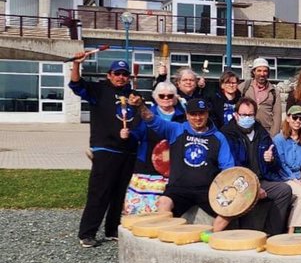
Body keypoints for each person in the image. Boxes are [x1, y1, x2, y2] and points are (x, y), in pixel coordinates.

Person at [135, 96, 236, 232]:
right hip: (179, 188)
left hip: (208, 190)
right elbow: (151, 120)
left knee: (230, 210)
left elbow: (228, 168)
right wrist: (140, 105)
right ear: (187, 115)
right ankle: (165, 240)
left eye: (201, 113)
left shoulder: (219, 137)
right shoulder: (176, 130)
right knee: (164, 202)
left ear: (207, 114)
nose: (198, 118)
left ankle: (211, 238)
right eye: (193, 114)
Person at [69, 56, 140, 247]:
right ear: (109, 75)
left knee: (119, 193)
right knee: (99, 192)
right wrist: (76, 64)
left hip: (128, 151)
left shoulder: (132, 95)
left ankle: (112, 229)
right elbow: (75, 84)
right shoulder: (99, 90)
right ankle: (87, 232)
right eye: (117, 73)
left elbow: (140, 119)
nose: (121, 77)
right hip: (106, 148)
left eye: (124, 74)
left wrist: (137, 107)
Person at [220, 97, 295, 236]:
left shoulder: (262, 133)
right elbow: (232, 168)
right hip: (239, 183)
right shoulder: (227, 134)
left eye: (250, 115)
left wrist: (271, 159)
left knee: (284, 190)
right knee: (250, 197)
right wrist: (254, 188)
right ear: (236, 115)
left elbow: (276, 162)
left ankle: (272, 234)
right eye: (243, 115)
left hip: (262, 179)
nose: (247, 118)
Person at [123, 82, 184, 217]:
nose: (166, 98)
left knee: (167, 205)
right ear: (155, 97)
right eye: (162, 95)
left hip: (172, 166)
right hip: (146, 164)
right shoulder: (145, 113)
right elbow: (136, 134)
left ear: (175, 98)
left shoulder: (183, 116)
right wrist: (128, 135)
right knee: (140, 208)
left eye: (170, 95)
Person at [239, 57, 283, 135]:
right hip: (246, 130)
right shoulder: (244, 87)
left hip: (266, 131)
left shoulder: (274, 91)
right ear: (253, 72)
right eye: (259, 71)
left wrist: (273, 136)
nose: (262, 74)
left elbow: (277, 116)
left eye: (265, 71)